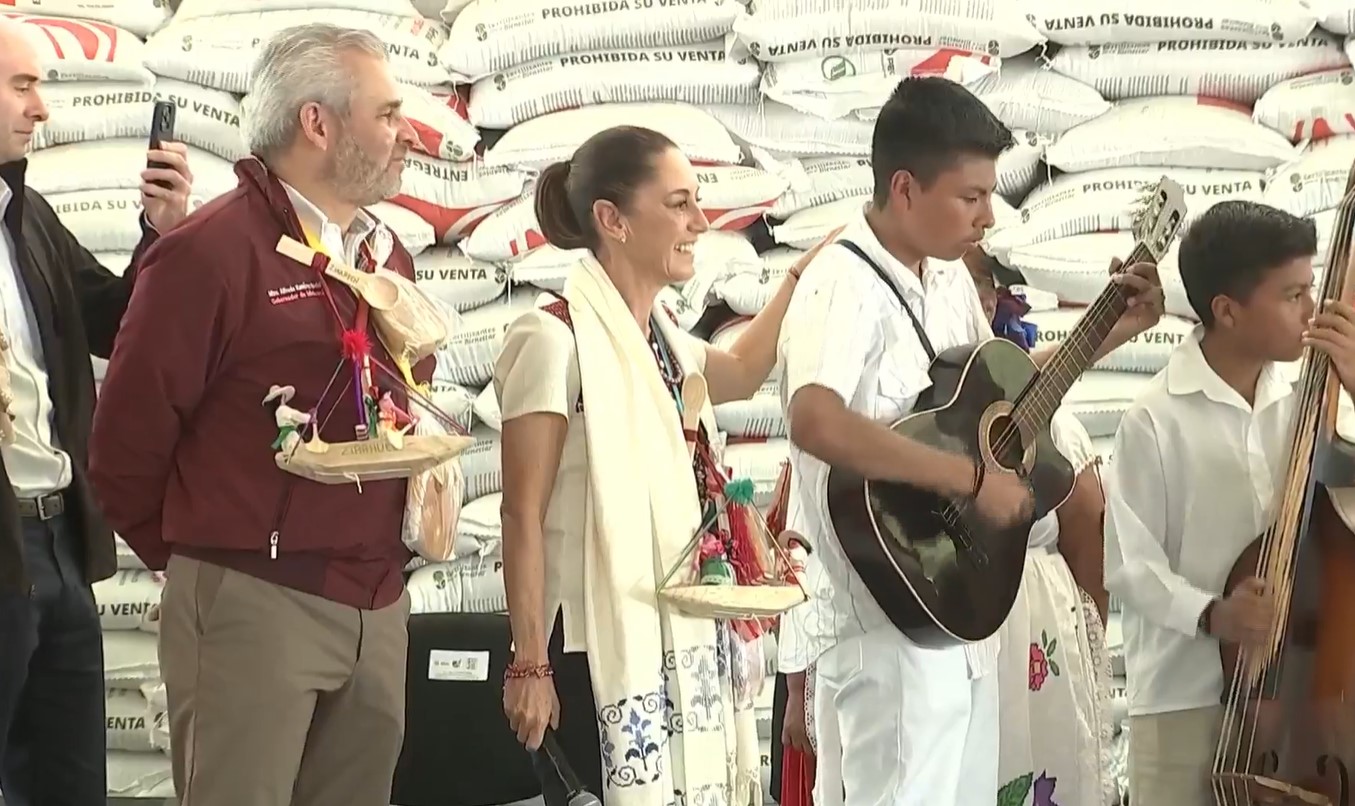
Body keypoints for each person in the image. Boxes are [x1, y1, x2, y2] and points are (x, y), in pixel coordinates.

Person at [777, 76, 1165, 806]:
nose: (989, 216)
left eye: (991, 193)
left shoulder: (949, 276)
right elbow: (814, 421)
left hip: (955, 604)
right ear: (903, 188)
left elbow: (999, 401)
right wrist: (965, 481)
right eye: (970, 196)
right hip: (883, 615)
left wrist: (1110, 328)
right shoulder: (840, 284)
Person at [86, 23, 423, 806]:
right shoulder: (210, 253)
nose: (406, 134)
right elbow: (123, 447)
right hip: (253, 597)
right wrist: (214, 562)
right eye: (387, 113)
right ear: (317, 122)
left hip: (377, 599)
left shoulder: (385, 257)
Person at [494, 124, 836, 806]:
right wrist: (528, 663)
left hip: (673, 630)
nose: (700, 222)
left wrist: (802, 272)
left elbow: (738, 370)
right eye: (678, 203)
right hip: (590, 642)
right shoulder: (553, 338)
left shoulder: (666, 342)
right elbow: (519, 512)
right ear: (611, 220)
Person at [0, 17, 194, 806]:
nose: (42, 108)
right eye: (21, 85)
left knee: (69, 782)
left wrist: (160, 235)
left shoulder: (27, 218)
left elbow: (116, 323)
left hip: (52, 542)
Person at [1105, 200, 1355, 806]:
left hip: (1294, 699)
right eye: (1293, 294)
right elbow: (1130, 568)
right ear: (1228, 311)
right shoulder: (1154, 418)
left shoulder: (1308, 403)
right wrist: (1214, 615)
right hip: (1182, 700)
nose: (1312, 309)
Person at [963, 249, 1116, 806]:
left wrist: (1086, 636)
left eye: (983, 293)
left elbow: (1086, 542)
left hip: (1039, 625)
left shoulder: (1057, 431)